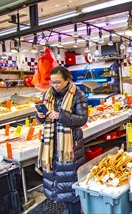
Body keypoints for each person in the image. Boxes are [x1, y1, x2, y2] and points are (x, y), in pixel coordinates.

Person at [35, 66, 88, 214]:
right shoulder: (48, 95)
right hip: (51, 146)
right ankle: (66, 209)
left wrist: (60, 116)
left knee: (70, 185)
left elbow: (82, 119)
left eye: (57, 82)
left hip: (70, 147)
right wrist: (40, 116)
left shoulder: (78, 95)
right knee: (57, 183)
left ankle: (75, 211)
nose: (54, 85)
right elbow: (41, 120)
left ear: (67, 80)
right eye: (52, 82)